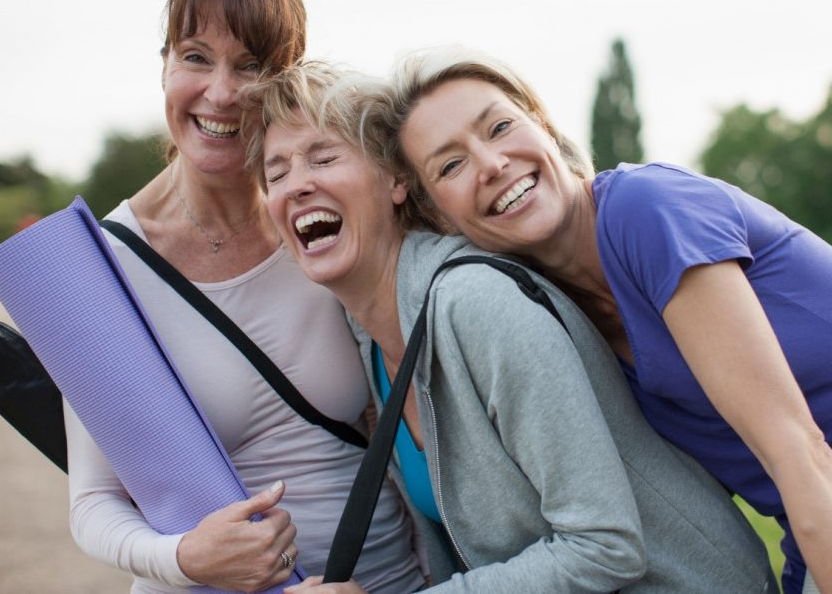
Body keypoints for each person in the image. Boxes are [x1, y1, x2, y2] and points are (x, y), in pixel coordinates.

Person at [377, 47, 832, 594]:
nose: (491, 164)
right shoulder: (550, 312)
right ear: (439, 217)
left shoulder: (647, 211)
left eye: (498, 127)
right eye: (451, 165)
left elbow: (799, 450)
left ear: (544, 126)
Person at [238, 61, 777, 593]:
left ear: (396, 181)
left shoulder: (476, 304)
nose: (296, 187)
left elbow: (605, 546)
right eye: (276, 173)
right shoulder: (370, 347)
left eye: (323, 158)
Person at [65, 0, 424, 594]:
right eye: (196, 56)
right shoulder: (99, 265)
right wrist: (184, 558)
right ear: (166, 67)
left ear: (286, 81)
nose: (222, 92)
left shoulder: (324, 220)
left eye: (253, 67)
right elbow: (92, 504)